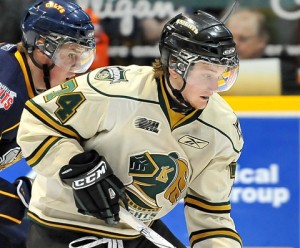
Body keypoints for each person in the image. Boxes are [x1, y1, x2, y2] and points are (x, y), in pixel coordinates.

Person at [17, 9, 243, 248]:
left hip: (135, 232)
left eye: (223, 76)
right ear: (176, 66)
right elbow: (37, 122)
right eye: (208, 75)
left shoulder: (222, 128)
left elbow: (211, 215)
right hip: (63, 223)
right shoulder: (113, 88)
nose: (215, 87)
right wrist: (74, 165)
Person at [0, 0, 95, 247]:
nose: (77, 69)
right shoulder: (5, 88)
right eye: (69, 56)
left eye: (82, 57)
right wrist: (11, 198)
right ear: (41, 48)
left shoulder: (39, 83)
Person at [226, 8, 299, 94]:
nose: (234, 44)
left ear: (261, 40)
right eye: (229, 39)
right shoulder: (212, 71)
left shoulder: (283, 74)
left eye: (243, 39)